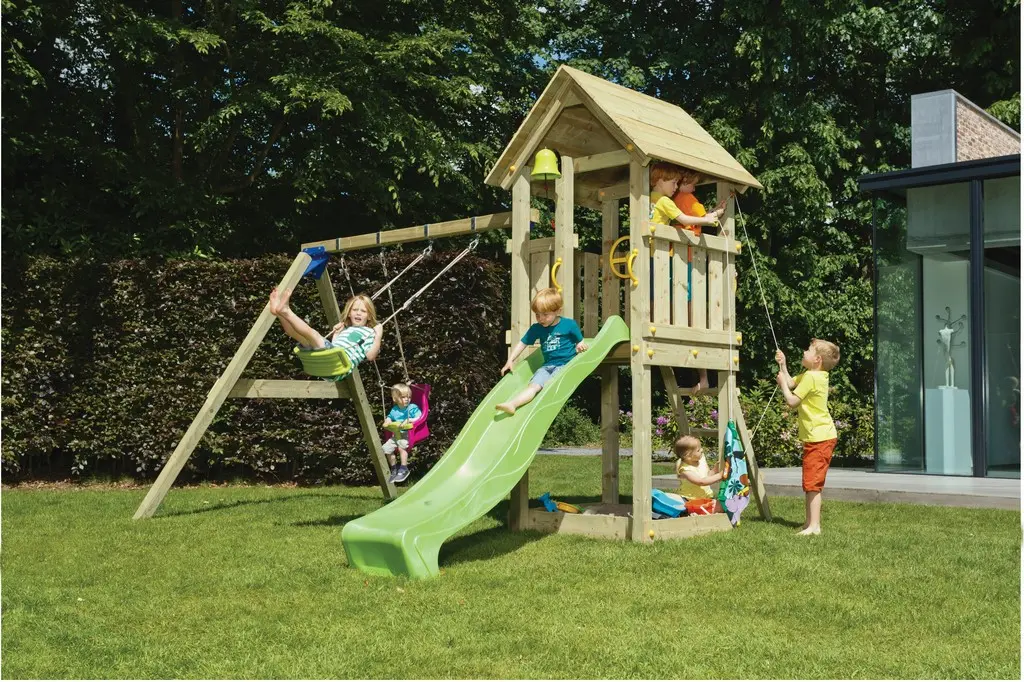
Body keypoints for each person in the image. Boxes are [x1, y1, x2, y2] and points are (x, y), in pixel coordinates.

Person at [775, 339, 841, 535]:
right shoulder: (814, 374)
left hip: (819, 438)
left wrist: (782, 385)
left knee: (813, 484)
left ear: (817, 359)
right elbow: (792, 382)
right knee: (810, 482)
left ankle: (814, 526)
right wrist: (783, 365)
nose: (804, 351)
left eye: (808, 349)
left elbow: (791, 400)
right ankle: (809, 523)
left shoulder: (812, 377)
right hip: (818, 437)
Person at [496, 288, 587, 416]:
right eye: (537, 315)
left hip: (565, 365)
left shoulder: (569, 325)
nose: (541, 319)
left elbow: (580, 340)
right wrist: (510, 360)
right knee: (534, 386)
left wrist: (579, 345)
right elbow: (522, 343)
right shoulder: (537, 328)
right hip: (547, 366)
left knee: (549, 386)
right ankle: (513, 404)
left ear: (558, 311)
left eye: (545, 315)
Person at [268, 288, 383, 379]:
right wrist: (337, 334)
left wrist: (378, 336)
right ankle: (279, 314)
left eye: (363, 311)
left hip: (337, 365)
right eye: (355, 310)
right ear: (349, 313)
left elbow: (370, 356)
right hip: (330, 363)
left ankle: (285, 311)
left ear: (369, 316)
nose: (358, 313)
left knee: (313, 334)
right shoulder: (346, 329)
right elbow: (335, 346)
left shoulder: (369, 332)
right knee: (297, 335)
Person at [382, 383, 423, 484]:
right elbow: (390, 417)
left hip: (408, 434)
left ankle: (404, 468)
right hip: (396, 434)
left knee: (401, 447)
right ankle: (394, 469)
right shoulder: (395, 409)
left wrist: (409, 420)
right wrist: (387, 421)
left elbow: (420, 417)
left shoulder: (412, 407)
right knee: (386, 449)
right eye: (403, 397)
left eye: (408, 397)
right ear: (395, 399)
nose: (407, 399)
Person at [673, 435, 724, 515]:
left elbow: (707, 476)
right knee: (697, 515)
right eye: (698, 450)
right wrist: (720, 475)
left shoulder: (701, 460)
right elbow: (701, 482)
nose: (702, 450)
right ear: (688, 455)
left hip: (706, 498)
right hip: (690, 500)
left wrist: (715, 470)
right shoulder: (685, 470)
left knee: (717, 509)